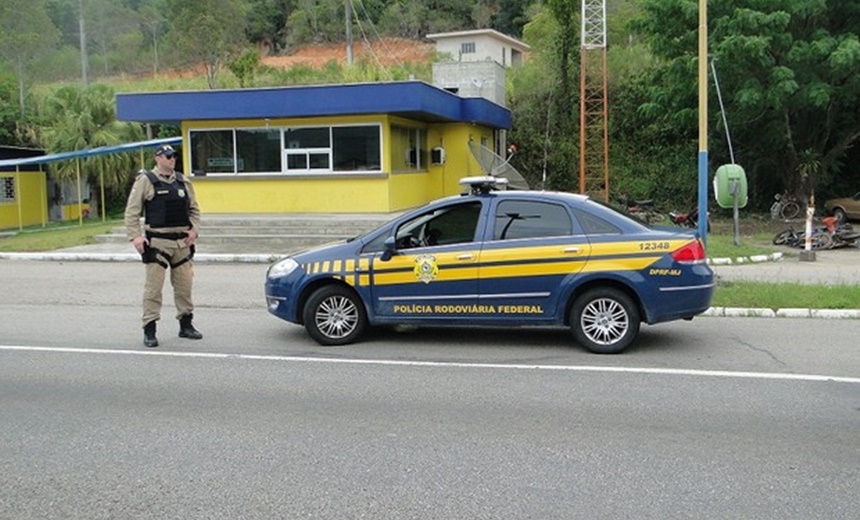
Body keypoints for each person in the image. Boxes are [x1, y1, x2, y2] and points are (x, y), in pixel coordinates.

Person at [124, 144, 203, 347]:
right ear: (157, 158)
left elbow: (194, 210)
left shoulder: (183, 181)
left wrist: (194, 230)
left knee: (185, 287)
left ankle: (186, 325)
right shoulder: (146, 181)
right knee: (153, 289)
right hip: (158, 242)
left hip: (182, 243)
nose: (172, 159)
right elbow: (132, 211)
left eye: (173, 156)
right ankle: (149, 329)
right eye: (167, 156)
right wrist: (135, 237)